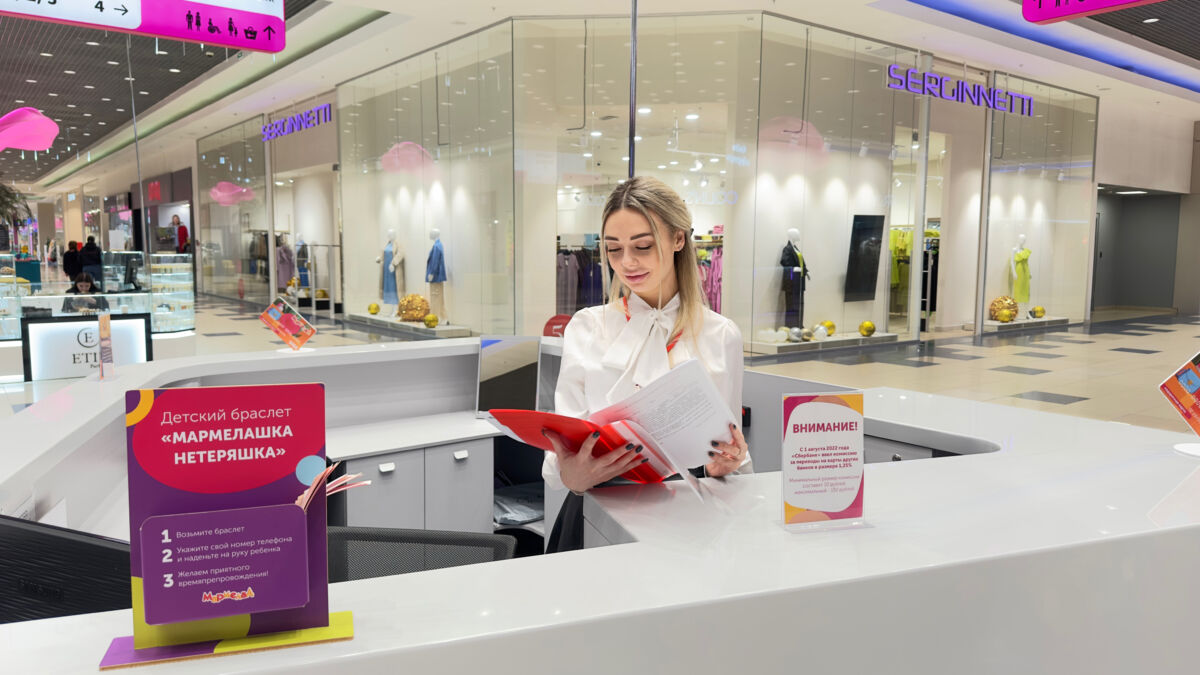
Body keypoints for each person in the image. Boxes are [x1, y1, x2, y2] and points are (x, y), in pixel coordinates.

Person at [541, 176, 749, 552]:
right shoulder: (587, 327)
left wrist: (723, 466)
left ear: (678, 239)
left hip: (689, 518)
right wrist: (570, 473)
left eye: (643, 246)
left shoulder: (721, 335)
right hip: (598, 513)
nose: (627, 262)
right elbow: (562, 451)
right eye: (613, 249)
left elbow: (729, 447)